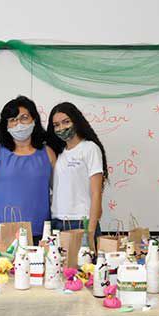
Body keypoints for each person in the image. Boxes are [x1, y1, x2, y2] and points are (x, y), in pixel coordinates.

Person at [0, 96, 55, 241]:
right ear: (6, 125)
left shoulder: (47, 153)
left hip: (41, 232)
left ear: (34, 120)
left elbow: (58, 189)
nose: (19, 123)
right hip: (3, 231)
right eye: (13, 119)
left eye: (24, 118)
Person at [46, 102, 108, 249]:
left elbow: (96, 193)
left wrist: (90, 232)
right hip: (56, 221)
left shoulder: (90, 148)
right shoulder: (58, 152)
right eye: (56, 125)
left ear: (76, 121)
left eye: (66, 122)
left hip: (81, 221)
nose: (61, 128)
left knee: (83, 263)